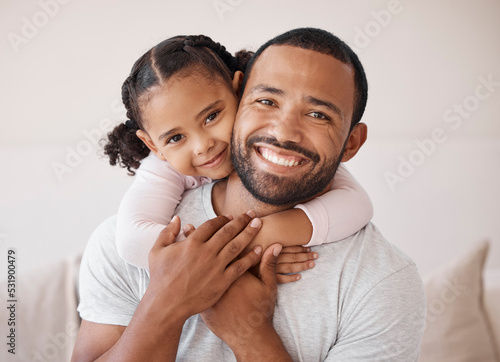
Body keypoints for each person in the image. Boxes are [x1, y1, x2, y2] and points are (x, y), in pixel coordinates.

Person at [73, 28, 426, 361]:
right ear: (242, 97)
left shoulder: (383, 282)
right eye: (267, 101)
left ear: (351, 142)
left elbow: (357, 205)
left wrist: (249, 335)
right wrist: (167, 301)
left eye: (318, 114)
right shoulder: (125, 243)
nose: (285, 132)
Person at [102, 35, 374, 276]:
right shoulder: (162, 169)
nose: (201, 145)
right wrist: (238, 254)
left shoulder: (286, 153)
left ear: (238, 92)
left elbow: (357, 205)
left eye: (211, 117)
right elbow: (132, 241)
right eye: (175, 138)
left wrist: (267, 235)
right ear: (154, 145)